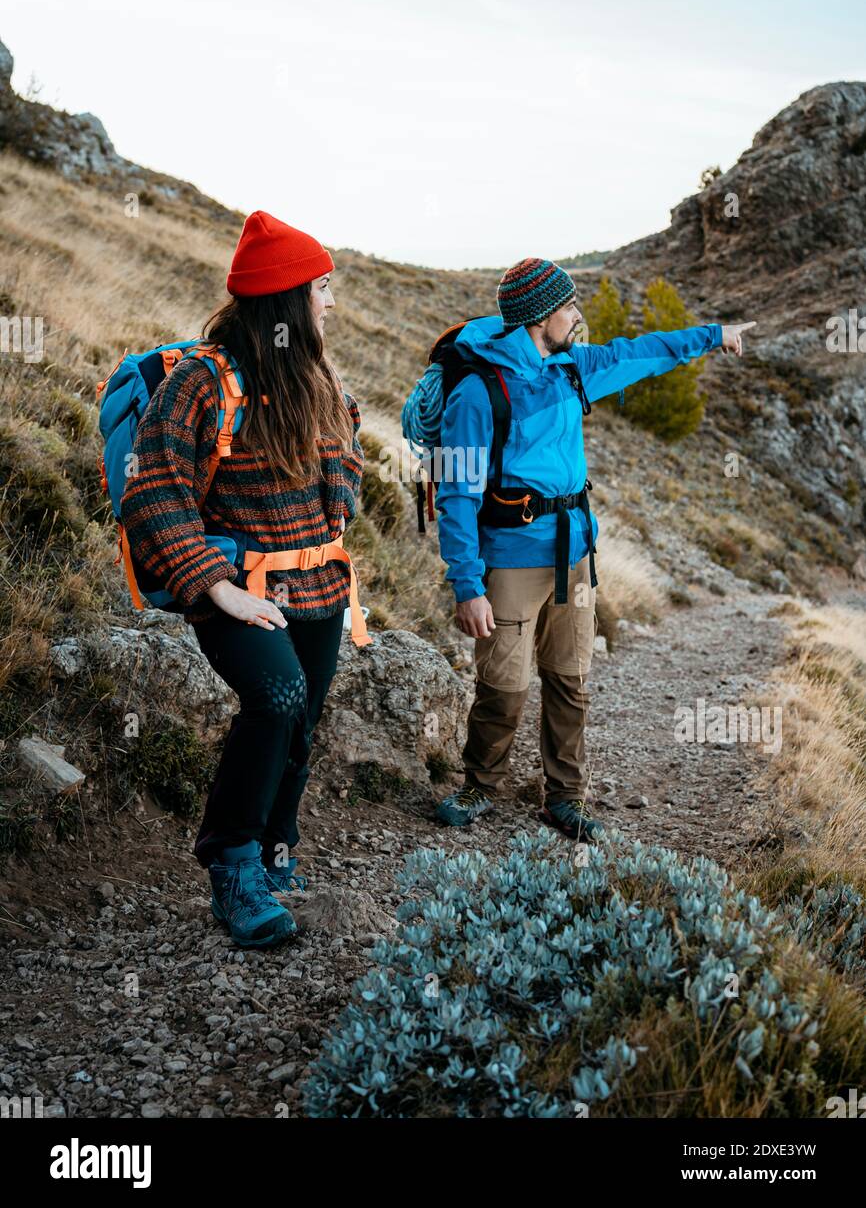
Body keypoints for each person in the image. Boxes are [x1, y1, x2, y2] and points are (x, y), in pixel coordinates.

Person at [434, 257, 755, 839]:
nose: (578, 317)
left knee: (570, 680)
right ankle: (480, 786)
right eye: (568, 308)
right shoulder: (477, 394)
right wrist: (467, 584)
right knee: (504, 687)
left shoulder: (572, 368)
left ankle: (565, 798)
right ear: (539, 317)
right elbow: (455, 494)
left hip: (575, 556)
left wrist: (713, 336)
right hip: (507, 559)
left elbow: (641, 353)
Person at [121, 211, 366, 948]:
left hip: (319, 584)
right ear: (287, 299)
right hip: (240, 590)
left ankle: (273, 849)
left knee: (304, 716)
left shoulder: (317, 375)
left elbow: (348, 449)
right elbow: (153, 489)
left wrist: (338, 499)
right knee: (279, 696)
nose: (330, 303)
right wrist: (216, 585)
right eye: (322, 289)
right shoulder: (202, 380)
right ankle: (232, 867)